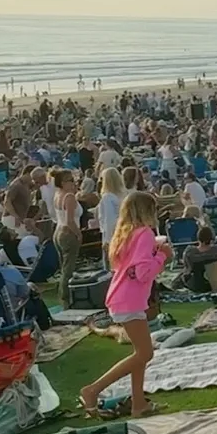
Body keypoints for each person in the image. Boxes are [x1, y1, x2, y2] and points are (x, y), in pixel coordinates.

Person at [79, 193, 172, 419]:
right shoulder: (145, 234)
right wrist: (162, 257)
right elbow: (143, 272)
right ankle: (92, 390)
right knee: (144, 353)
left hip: (122, 297)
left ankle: (138, 403)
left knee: (139, 354)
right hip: (129, 299)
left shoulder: (124, 235)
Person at [52, 169, 82, 306]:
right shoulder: (69, 197)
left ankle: (63, 296)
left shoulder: (57, 195)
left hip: (58, 231)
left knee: (64, 268)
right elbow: (70, 220)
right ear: (63, 183)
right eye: (70, 180)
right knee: (68, 269)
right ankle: (66, 299)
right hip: (68, 232)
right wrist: (78, 233)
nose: (73, 183)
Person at [96, 166, 124, 251]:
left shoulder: (107, 197)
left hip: (111, 233)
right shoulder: (122, 195)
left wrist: (108, 240)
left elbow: (109, 219)